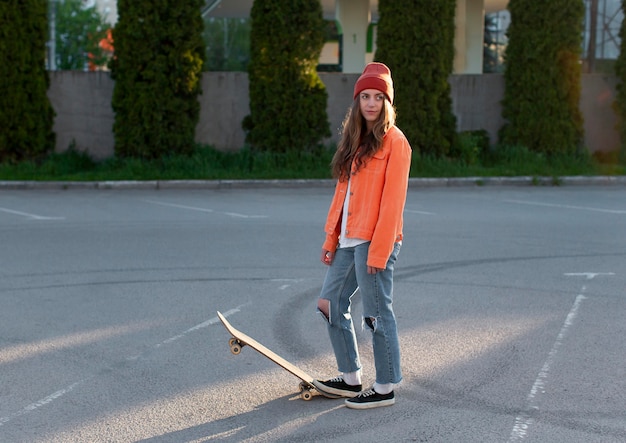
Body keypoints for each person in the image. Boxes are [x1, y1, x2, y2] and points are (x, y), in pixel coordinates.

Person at [312, 62, 412, 409]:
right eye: (365, 96)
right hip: (348, 239)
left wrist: (379, 252)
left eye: (378, 97)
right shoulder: (354, 140)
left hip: (375, 242)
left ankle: (384, 386)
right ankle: (350, 378)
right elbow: (342, 194)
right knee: (330, 303)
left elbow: (393, 202)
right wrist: (331, 239)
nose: (371, 103)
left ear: (387, 102)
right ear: (357, 102)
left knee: (376, 314)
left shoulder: (395, 142)